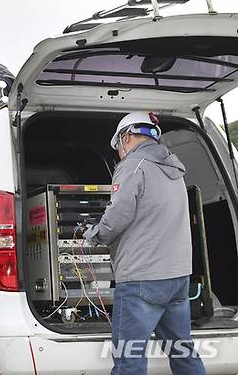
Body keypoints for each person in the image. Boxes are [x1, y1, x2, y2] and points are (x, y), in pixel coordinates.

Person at [83, 111, 206, 375]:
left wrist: (94, 235)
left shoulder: (132, 166)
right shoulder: (174, 169)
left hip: (142, 278)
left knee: (129, 361)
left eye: (118, 147)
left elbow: (117, 216)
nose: (119, 153)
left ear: (126, 137)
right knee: (183, 352)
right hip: (178, 277)